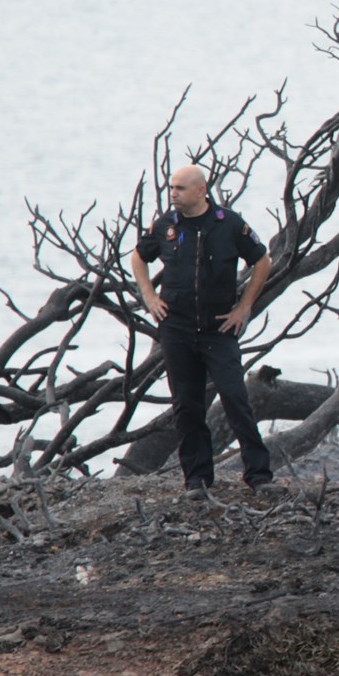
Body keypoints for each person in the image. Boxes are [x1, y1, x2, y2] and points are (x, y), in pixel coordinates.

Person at [131, 164, 278, 497]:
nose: (173, 193)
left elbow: (263, 261)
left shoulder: (229, 224)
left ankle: (259, 476)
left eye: (181, 188)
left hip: (217, 328)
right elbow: (139, 258)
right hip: (177, 328)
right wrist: (150, 297)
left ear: (201, 191)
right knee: (187, 405)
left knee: (235, 398)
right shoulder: (166, 226)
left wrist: (244, 307)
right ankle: (197, 480)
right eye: (172, 187)